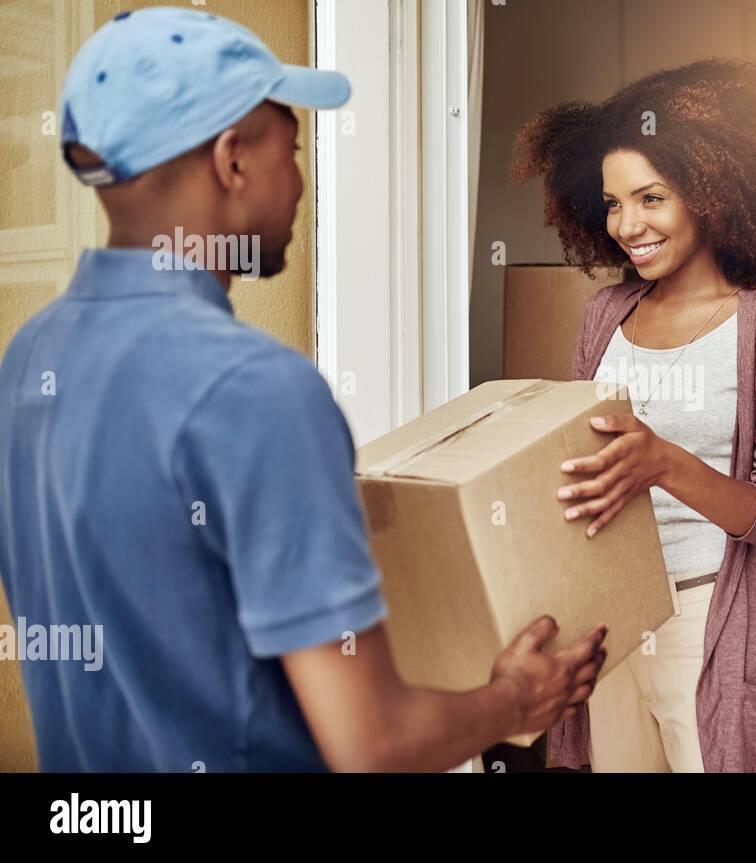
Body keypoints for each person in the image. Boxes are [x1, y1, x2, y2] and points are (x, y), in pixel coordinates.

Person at [0, 6, 605, 773]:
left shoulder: (30, 358)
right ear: (232, 160)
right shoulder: (257, 390)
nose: (300, 182)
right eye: (291, 147)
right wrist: (516, 699)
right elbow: (368, 742)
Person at [512, 59, 756, 772]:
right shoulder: (604, 316)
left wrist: (663, 462)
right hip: (613, 621)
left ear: (712, 192)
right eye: (613, 203)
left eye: (650, 197)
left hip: (714, 623)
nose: (627, 224)